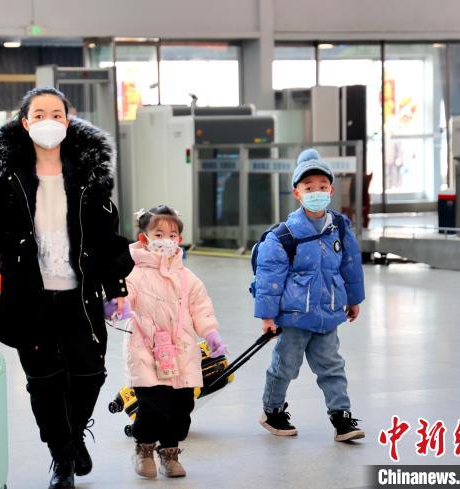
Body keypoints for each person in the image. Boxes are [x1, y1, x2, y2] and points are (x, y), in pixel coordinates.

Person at [0, 87, 133, 489]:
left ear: (68, 121)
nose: (48, 121)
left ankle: (72, 436)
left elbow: (106, 234)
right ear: (25, 123)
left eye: (56, 114)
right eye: (39, 115)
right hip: (29, 296)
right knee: (45, 382)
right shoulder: (7, 177)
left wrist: (117, 285)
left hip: (80, 294)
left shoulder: (88, 177)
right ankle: (62, 457)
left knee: (90, 372)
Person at [252, 148, 366, 442]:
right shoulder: (284, 235)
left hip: (328, 314)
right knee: (285, 367)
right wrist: (267, 317)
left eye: (322, 187)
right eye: (309, 187)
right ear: (297, 193)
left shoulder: (339, 228)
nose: (317, 192)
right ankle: (272, 410)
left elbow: (350, 265)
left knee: (332, 367)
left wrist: (353, 299)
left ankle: (341, 417)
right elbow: (269, 278)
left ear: (331, 190)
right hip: (294, 317)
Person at [118, 205, 227, 479]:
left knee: (181, 407)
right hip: (145, 351)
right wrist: (118, 305)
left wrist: (211, 334)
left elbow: (201, 310)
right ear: (144, 238)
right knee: (153, 405)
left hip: (182, 353)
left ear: (179, 239)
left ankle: (169, 451)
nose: (166, 240)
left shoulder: (188, 279)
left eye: (172, 234)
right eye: (159, 234)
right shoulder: (134, 274)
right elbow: (124, 298)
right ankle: (144, 447)